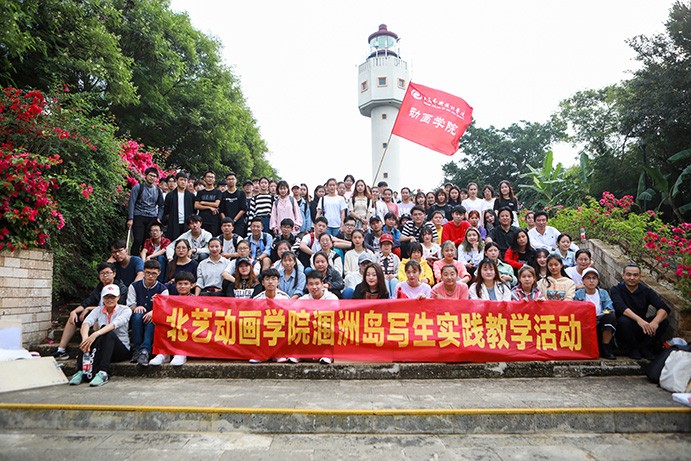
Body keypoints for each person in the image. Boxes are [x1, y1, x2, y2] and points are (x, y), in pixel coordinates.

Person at [51, 263, 127, 361]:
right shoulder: (99, 288)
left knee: (96, 320)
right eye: (102, 273)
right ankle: (61, 350)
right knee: (74, 317)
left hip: (110, 317)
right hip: (97, 312)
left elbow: (114, 306)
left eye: (108, 273)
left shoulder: (120, 288)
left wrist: (89, 308)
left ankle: (94, 348)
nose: (105, 276)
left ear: (114, 274)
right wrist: (74, 311)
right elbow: (86, 302)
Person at [68, 284, 132, 387]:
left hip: (120, 349)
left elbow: (114, 325)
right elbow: (86, 323)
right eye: (107, 297)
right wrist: (85, 338)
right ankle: (80, 370)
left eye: (113, 297)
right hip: (102, 349)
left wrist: (96, 334)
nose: (109, 300)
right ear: (102, 298)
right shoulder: (98, 309)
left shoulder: (125, 310)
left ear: (118, 298)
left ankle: (103, 372)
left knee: (107, 333)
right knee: (88, 334)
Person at [610, 263, 670, 360]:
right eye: (629, 274)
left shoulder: (646, 291)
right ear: (623, 275)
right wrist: (639, 320)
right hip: (624, 329)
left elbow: (664, 308)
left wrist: (655, 322)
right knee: (623, 321)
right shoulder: (616, 289)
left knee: (664, 321)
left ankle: (645, 347)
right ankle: (633, 349)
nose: (632, 278)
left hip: (642, 327)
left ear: (640, 276)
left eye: (635, 275)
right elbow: (621, 307)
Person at [126, 260, 169, 366]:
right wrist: (136, 307)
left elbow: (164, 308)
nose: (150, 276)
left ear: (159, 273)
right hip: (137, 317)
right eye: (148, 273)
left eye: (154, 273)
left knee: (152, 319)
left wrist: (154, 311)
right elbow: (130, 305)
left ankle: (145, 350)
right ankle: (137, 349)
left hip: (154, 318)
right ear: (143, 272)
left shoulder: (163, 289)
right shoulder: (134, 286)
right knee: (137, 316)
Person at [149, 272, 194, 366]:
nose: (182, 286)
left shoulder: (197, 299)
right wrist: (157, 302)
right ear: (176, 285)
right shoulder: (170, 299)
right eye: (180, 284)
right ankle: (163, 353)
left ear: (192, 285)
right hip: (172, 325)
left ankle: (181, 353)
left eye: (186, 284)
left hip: (188, 328)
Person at [574, 268, 617, 359]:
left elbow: (609, 308)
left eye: (594, 278)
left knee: (611, 317)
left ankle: (605, 346)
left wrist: (599, 315)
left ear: (598, 280)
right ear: (583, 281)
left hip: (600, 320)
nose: (591, 281)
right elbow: (576, 310)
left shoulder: (603, 293)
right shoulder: (578, 294)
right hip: (585, 321)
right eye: (588, 278)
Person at [127, 167, 164, 256]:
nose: (152, 178)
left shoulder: (158, 191)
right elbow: (132, 203)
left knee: (148, 241)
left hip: (152, 217)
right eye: (150, 175)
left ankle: (146, 260)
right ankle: (134, 258)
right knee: (138, 239)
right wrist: (130, 218)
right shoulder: (138, 187)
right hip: (139, 216)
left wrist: (159, 218)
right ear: (146, 176)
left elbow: (161, 205)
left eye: (154, 176)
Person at [162, 171, 195, 241]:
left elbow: (193, 210)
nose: (183, 182)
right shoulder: (170, 195)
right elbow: (166, 210)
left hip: (187, 223)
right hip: (173, 222)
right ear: (176, 181)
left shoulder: (191, 196)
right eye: (181, 180)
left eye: (185, 180)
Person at [220, 171, 248, 237]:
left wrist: (234, 220)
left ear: (236, 180)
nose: (231, 181)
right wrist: (226, 222)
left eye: (232, 179)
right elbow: (221, 210)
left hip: (238, 222)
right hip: (226, 224)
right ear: (226, 181)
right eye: (229, 179)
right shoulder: (223, 194)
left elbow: (243, 209)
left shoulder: (241, 193)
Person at [375, 233, 400, 298]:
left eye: (388, 244)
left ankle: (395, 299)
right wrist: (382, 276)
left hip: (392, 277)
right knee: (384, 282)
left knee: (394, 281)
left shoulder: (395, 258)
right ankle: (387, 299)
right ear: (381, 246)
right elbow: (374, 270)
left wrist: (394, 275)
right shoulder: (375, 257)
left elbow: (399, 271)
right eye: (384, 244)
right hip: (381, 278)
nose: (386, 247)